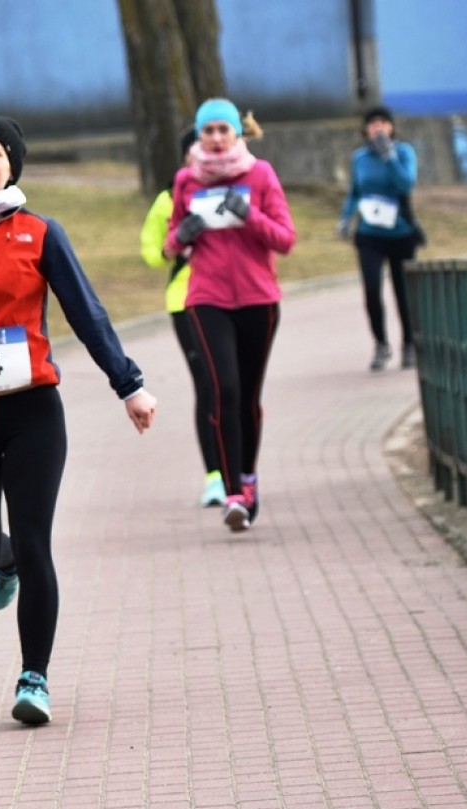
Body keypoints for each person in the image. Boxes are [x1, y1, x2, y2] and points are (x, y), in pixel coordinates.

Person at [0, 115, 157, 726]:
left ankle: (35, 677)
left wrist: (129, 385)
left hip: (33, 409)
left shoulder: (40, 234)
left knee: (35, 542)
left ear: (12, 165)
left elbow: (86, 312)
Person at [166, 98, 296, 534]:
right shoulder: (186, 180)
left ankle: (248, 476)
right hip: (207, 299)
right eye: (209, 131)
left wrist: (250, 216)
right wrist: (181, 237)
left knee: (248, 397)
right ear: (199, 136)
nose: (217, 138)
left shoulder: (260, 175)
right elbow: (170, 243)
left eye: (224, 129)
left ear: (238, 133)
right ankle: (233, 493)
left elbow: (285, 239)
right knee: (225, 389)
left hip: (259, 299)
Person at [140, 126, 225, 508]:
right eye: (194, 149)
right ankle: (215, 476)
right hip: (186, 302)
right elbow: (151, 253)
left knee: (233, 386)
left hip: (230, 299)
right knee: (208, 384)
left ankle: (240, 468)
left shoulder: (230, 190)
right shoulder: (167, 200)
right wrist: (174, 244)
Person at [337, 104, 422, 372]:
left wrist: (390, 157)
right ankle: (381, 344)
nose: (378, 128)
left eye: (383, 123)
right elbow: (355, 191)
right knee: (372, 289)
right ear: (365, 130)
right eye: (373, 124)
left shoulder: (404, 152)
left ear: (391, 127)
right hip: (369, 233)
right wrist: (346, 217)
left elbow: (406, 183)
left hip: (400, 233)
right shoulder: (359, 158)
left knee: (403, 291)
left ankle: (409, 343)